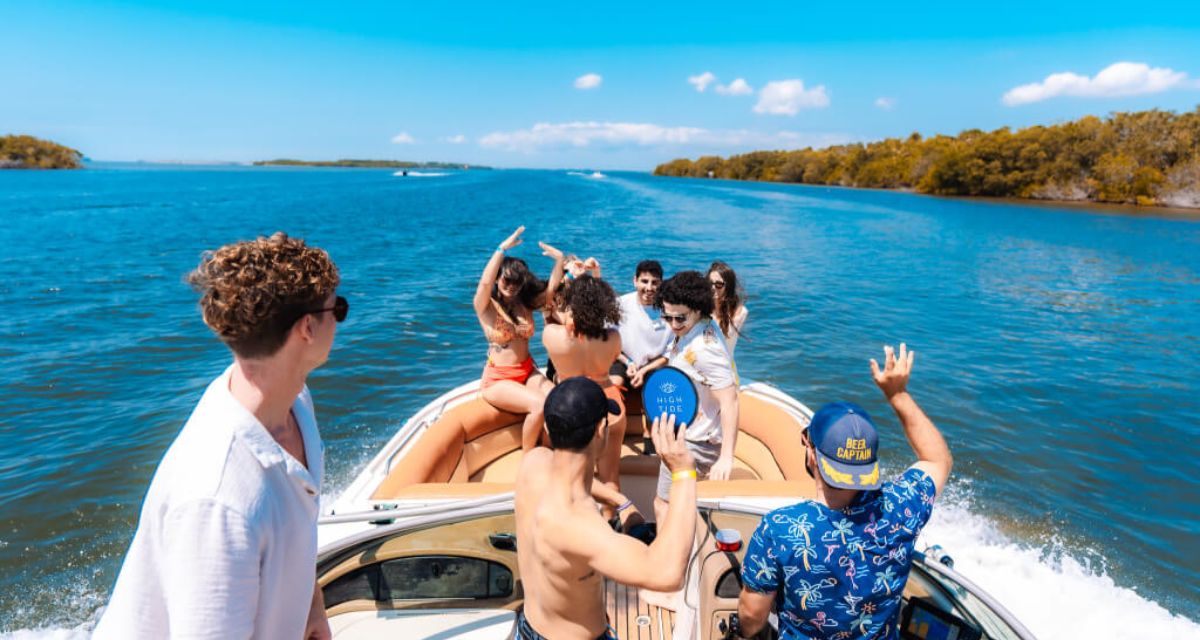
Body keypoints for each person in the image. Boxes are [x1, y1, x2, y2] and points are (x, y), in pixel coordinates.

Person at [93, 232, 345, 639]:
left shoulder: (293, 400)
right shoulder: (218, 501)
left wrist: (310, 604)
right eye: (338, 309)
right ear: (306, 329)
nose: (340, 320)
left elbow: (298, 520)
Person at [736, 344, 953, 640]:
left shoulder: (780, 529)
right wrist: (898, 394)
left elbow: (752, 616)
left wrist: (743, 633)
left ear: (812, 454)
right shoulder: (901, 507)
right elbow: (937, 460)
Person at [514, 377, 698, 640]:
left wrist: (620, 500)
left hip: (529, 627)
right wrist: (683, 472)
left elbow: (570, 475)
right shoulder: (579, 527)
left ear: (548, 425)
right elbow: (666, 573)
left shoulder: (533, 462)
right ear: (601, 430)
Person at [653, 270, 739, 526]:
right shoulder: (695, 327)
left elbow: (730, 400)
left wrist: (726, 457)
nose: (672, 323)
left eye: (679, 317)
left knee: (664, 506)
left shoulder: (705, 348)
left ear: (698, 309)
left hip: (697, 442)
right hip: (689, 435)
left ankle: (664, 551)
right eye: (667, 316)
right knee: (681, 509)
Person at [475, 226, 565, 450]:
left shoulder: (524, 303)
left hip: (527, 371)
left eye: (517, 282)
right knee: (539, 405)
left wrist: (560, 260)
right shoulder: (486, 306)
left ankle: (549, 451)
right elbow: (485, 283)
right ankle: (529, 458)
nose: (511, 286)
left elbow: (552, 289)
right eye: (507, 280)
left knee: (558, 400)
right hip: (498, 379)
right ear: (498, 278)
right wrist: (501, 249)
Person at [542, 274, 626, 494]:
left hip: (569, 405)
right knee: (610, 477)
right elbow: (614, 356)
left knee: (566, 476)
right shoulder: (613, 338)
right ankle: (613, 513)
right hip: (608, 403)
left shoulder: (552, 335)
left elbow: (554, 318)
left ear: (571, 306)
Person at [614, 260, 672, 391]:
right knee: (614, 384)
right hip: (623, 361)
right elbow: (607, 342)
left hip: (653, 366)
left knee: (659, 389)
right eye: (644, 281)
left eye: (655, 283)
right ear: (635, 281)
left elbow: (669, 353)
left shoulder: (670, 310)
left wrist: (643, 370)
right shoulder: (619, 304)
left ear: (661, 284)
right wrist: (628, 363)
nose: (649, 288)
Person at [708, 260, 748, 357]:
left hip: (723, 363)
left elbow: (724, 340)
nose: (713, 288)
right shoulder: (700, 309)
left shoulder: (740, 312)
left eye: (718, 284)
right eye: (710, 283)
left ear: (728, 286)